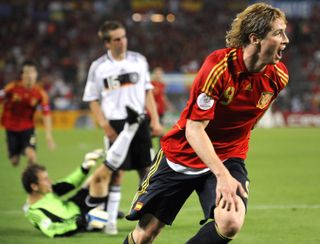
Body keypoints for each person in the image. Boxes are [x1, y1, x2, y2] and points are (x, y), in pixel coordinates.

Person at [124, 3, 289, 244]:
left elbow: (252, 121)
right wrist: (222, 176)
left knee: (230, 223)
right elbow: (194, 128)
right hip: (181, 156)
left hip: (228, 157)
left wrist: (227, 167)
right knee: (146, 233)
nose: (286, 39)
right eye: (278, 32)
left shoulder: (278, 76)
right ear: (255, 38)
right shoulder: (219, 67)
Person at [82, 20, 163, 235]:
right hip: (116, 123)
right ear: (107, 43)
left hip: (140, 121)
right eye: (117, 39)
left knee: (147, 170)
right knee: (116, 173)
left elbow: (147, 91)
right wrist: (104, 125)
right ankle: (110, 223)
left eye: (124, 37)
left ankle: (146, 216)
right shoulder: (98, 67)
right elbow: (92, 99)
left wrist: (154, 120)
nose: (122, 42)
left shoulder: (139, 61)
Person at [0, 60, 56, 166]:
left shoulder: (40, 93)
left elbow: (47, 114)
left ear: (36, 74)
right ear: (22, 75)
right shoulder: (12, 88)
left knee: (31, 156)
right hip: (11, 128)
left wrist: (49, 136)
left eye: (32, 72)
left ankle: (30, 180)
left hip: (28, 128)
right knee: (14, 162)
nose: (29, 75)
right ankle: (12, 149)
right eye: (27, 72)